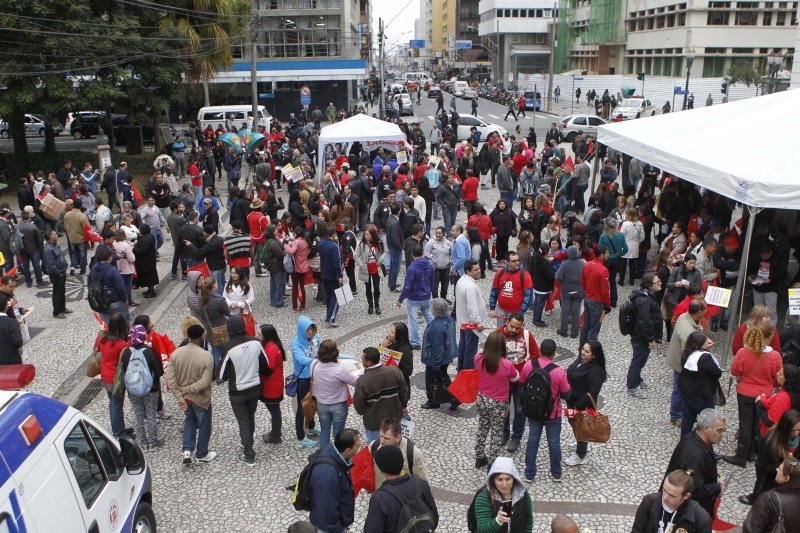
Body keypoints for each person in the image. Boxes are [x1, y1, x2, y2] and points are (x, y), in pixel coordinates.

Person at [725, 324, 784, 467]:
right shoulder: (774, 356)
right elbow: (777, 377)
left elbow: (734, 371)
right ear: (767, 338)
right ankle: (753, 453)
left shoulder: (743, 352)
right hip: (765, 394)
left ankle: (741, 456)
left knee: (745, 424)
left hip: (745, 392)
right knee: (758, 423)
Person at [219, 315, 269, 466]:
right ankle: (248, 441)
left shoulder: (228, 348)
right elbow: (265, 363)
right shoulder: (255, 342)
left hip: (238, 391)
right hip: (254, 387)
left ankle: (249, 454)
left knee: (243, 422)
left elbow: (221, 375)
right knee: (250, 417)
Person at [520, 339, 570, 482]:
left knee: (532, 440)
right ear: (554, 353)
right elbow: (566, 395)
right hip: (552, 413)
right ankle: (556, 472)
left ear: (540, 349)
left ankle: (529, 473)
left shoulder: (529, 365)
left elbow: (522, 384)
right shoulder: (558, 371)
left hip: (533, 410)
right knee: (554, 442)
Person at [663, 408, 727, 517]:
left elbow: (693, 473)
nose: (723, 434)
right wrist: (717, 488)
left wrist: (715, 478)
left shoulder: (691, 438)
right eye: (719, 431)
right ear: (706, 429)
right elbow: (694, 489)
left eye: (724, 430)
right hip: (686, 514)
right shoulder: (696, 457)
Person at [364, 444, 439, 533]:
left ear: (382, 468)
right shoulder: (420, 484)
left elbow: (372, 529)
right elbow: (434, 516)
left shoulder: (380, 498)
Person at [475, 331, 520, 468]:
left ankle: (479, 456)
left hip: (482, 398)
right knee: (496, 431)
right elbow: (515, 378)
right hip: (499, 402)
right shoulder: (506, 364)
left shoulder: (478, 358)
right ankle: (492, 462)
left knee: (483, 426)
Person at [740, 409, 800, 506]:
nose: (796, 433)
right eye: (793, 430)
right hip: (772, 486)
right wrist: (784, 466)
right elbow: (764, 467)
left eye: (799, 430)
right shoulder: (769, 441)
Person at [564, 341, 607, 467]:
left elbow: (592, 393)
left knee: (580, 428)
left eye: (587, 351)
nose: (583, 352)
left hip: (580, 404)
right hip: (573, 400)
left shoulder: (595, 371)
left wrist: (578, 405)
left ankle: (581, 454)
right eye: (583, 349)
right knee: (576, 425)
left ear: (594, 355)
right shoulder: (582, 360)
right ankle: (582, 444)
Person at [308, 427, 359, 533]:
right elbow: (326, 509)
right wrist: (337, 528)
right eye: (357, 445)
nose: (359, 447)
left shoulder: (333, 451)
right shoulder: (328, 476)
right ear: (348, 450)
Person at [122, 325, 164, 451]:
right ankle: (153, 442)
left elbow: (124, 369)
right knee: (151, 415)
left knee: (138, 415)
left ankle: (143, 443)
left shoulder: (126, 352)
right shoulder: (150, 352)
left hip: (133, 389)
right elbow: (159, 371)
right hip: (151, 389)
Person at [353, 346, 408, 442]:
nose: (361, 360)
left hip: (374, 423)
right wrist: (401, 406)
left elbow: (359, 406)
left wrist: (367, 412)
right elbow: (404, 392)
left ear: (369, 363)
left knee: (376, 447)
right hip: (394, 419)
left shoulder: (362, 381)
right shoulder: (395, 371)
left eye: (362, 358)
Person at [631, 470, 713, 533]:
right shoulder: (650, 502)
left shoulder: (701, 519)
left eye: (672, 495)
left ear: (686, 496)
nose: (665, 497)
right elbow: (637, 530)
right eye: (664, 490)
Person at [312, 339, 359, 449]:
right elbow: (355, 382)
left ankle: (323, 455)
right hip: (338, 405)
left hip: (321, 404)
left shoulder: (314, 365)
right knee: (338, 433)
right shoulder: (339, 369)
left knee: (324, 431)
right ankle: (338, 455)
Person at [666, 300, 706, 427]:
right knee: (679, 390)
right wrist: (704, 347)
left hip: (678, 358)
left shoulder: (685, 316)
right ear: (699, 312)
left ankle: (682, 413)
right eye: (705, 310)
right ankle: (675, 416)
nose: (706, 312)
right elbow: (688, 351)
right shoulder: (687, 331)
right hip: (681, 363)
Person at [626, 271, 664, 399]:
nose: (660, 283)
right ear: (649, 285)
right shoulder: (644, 301)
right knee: (638, 362)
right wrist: (651, 339)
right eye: (657, 282)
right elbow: (645, 322)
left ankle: (637, 379)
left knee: (640, 360)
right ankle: (632, 386)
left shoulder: (645, 295)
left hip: (640, 335)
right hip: (641, 337)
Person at [678, 331, 723, 437]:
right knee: (709, 421)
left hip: (686, 390)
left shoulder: (687, 353)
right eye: (706, 341)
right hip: (700, 394)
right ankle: (706, 443)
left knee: (688, 417)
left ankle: (684, 441)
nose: (708, 342)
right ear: (699, 344)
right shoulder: (705, 358)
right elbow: (717, 373)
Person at [473, 457, 534, 532]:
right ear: (493, 480)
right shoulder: (484, 497)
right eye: (499, 479)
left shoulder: (523, 494)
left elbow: (528, 521)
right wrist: (497, 521)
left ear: (514, 478)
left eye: (508, 479)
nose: (504, 485)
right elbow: (482, 530)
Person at [368, 417, 430, 488]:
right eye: (381, 436)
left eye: (386, 438)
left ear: (398, 438)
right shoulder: (373, 446)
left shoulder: (413, 454)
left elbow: (423, 483)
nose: (382, 441)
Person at [742, 456, 800, 532]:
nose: (777, 469)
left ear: (786, 478)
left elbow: (751, 529)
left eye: (780, 469)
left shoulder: (769, 499)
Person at [420, 298, 458, 410]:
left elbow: (437, 348)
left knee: (433, 380)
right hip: (446, 355)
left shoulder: (436, 327)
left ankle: (434, 400)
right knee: (443, 377)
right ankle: (454, 398)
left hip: (435, 359)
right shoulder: (449, 319)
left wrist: (435, 364)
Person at [291, 315, 321, 448]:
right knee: (302, 407)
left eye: (311, 329)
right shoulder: (295, 343)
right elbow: (301, 359)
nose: (310, 332)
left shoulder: (316, 339)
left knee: (313, 402)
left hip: (315, 376)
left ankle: (311, 426)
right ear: (301, 329)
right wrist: (318, 361)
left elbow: (323, 352)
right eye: (307, 330)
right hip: (303, 379)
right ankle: (300, 437)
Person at [397, 245, 434, 349]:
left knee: (413, 320)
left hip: (414, 298)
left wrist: (400, 299)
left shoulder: (412, 268)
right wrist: (430, 291)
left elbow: (407, 286)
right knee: (429, 316)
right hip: (426, 296)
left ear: (412, 254)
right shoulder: (429, 265)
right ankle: (436, 336)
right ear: (422, 253)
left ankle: (415, 342)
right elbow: (432, 280)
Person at [194, 275, 231, 375]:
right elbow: (227, 312)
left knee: (213, 348)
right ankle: (218, 372)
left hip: (206, 326)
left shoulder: (200, 296)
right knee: (218, 350)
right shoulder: (219, 300)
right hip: (219, 327)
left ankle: (212, 369)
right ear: (214, 285)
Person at [456, 260, 489, 371]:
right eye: (475, 270)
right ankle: (468, 373)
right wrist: (478, 323)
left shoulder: (462, 280)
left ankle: (461, 370)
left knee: (463, 348)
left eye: (479, 268)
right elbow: (472, 308)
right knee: (470, 351)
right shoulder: (470, 286)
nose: (479, 271)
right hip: (471, 324)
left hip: (463, 322)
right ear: (468, 271)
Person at [579, 244, 611, 349]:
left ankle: (581, 348)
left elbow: (582, 282)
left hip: (588, 299)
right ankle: (591, 350)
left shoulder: (587, 265)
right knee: (594, 329)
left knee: (586, 326)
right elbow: (605, 291)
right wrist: (607, 305)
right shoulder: (603, 270)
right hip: (597, 302)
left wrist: (588, 291)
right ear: (601, 255)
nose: (608, 254)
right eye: (607, 253)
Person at [489, 251, 532, 327]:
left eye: (518, 260)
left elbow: (528, 295)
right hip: (501, 310)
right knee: (501, 332)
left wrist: (521, 312)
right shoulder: (500, 273)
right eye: (514, 261)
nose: (517, 263)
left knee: (515, 333)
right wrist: (492, 308)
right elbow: (494, 291)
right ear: (507, 262)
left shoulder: (525, 275)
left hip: (516, 312)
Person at [88, 246, 130, 324]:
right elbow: (120, 287)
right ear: (110, 257)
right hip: (115, 301)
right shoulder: (113, 270)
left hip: (101, 303)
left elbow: (89, 286)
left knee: (108, 326)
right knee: (124, 322)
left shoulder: (92, 270)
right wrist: (125, 299)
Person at [555, 246, 585, 339]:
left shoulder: (565, 264)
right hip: (579, 291)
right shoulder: (583, 263)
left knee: (565, 310)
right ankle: (574, 332)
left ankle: (564, 330)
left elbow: (558, 277)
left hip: (566, 291)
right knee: (576, 311)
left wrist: (564, 282)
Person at [354, 227, 385, 315]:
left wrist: (380, 260)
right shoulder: (361, 244)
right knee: (368, 288)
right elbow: (355, 255)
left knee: (376, 288)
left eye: (368, 234)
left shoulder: (378, 242)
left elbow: (384, 252)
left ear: (372, 235)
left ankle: (377, 305)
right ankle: (370, 305)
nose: (365, 236)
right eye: (365, 234)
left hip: (376, 269)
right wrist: (362, 265)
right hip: (366, 270)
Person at [317, 224, 343, 326]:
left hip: (324, 273)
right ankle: (330, 318)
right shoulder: (334, 246)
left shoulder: (320, 243)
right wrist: (340, 275)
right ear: (334, 234)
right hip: (333, 275)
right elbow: (336, 262)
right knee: (336, 296)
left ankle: (329, 313)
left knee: (328, 295)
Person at [42, 230, 70, 318]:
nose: (57, 235)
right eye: (54, 234)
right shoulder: (48, 249)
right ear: (51, 237)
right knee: (57, 293)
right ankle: (57, 312)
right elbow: (50, 264)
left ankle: (62, 308)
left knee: (62, 290)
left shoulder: (55, 246)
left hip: (62, 271)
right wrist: (58, 272)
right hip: (57, 274)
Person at [425, 227, 452, 300]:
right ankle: (435, 301)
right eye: (437, 233)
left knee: (445, 287)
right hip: (435, 269)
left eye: (440, 233)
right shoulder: (430, 243)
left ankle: (443, 299)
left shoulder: (448, 243)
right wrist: (431, 264)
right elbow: (427, 255)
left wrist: (450, 262)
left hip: (446, 269)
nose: (438, 235)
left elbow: (451, 254)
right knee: (434, 287)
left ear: (443, 233)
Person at [133, 224, 159, 299]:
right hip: (149, 260)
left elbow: (143, 250)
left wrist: (134, 249)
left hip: (146, 261)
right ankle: (149, 289)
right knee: (149, 274)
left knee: (148, 276)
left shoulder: (145, 240)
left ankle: (151, 291)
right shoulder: (150, 236)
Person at [265, 224, 288, 308]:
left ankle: (273, 301)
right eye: (275, 230)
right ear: (272, 232)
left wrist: (284, 242)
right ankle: (279, 302)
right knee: (280, 285)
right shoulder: (274, 242)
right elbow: (280, 254)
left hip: (272, 266)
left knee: (273, 284)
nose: (277, 231)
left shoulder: (268, 241)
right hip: (278, 266)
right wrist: (287, 250)